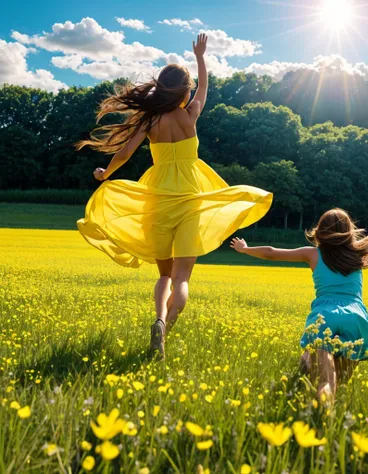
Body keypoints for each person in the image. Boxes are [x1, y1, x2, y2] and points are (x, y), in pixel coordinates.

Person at [76, 34, 273, 359]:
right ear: (184, 91)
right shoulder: (190, 113)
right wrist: (201, 57)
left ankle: (158, 318)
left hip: (158, 196)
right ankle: (166, 324)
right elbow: (204, 89)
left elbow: (125, 152)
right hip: (190, 197)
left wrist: (105, 174)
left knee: (164, 274)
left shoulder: (151, 120)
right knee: (182, 278)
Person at [231, 179, 368, 403]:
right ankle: (325, 412)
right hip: (354, 318)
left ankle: (320, 412)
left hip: (324, 316)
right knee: (341, 381)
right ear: (348, 230)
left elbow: (271, 252)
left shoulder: (312, 254)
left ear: (321, 230)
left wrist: (246, 249)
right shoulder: (359, 251)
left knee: (326, 381)